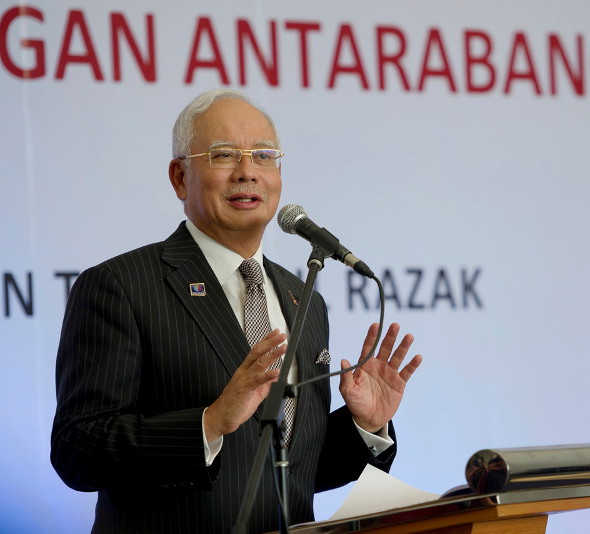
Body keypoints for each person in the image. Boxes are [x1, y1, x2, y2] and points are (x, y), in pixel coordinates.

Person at [50, 89, 423, 534]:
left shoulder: (302, 298)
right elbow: (79, 450)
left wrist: (364, 425)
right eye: (224, 155)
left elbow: (282, 469)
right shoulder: (121, 286)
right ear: (179, 177)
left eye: (264, 156)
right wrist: (208, 424)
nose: (248, 172)